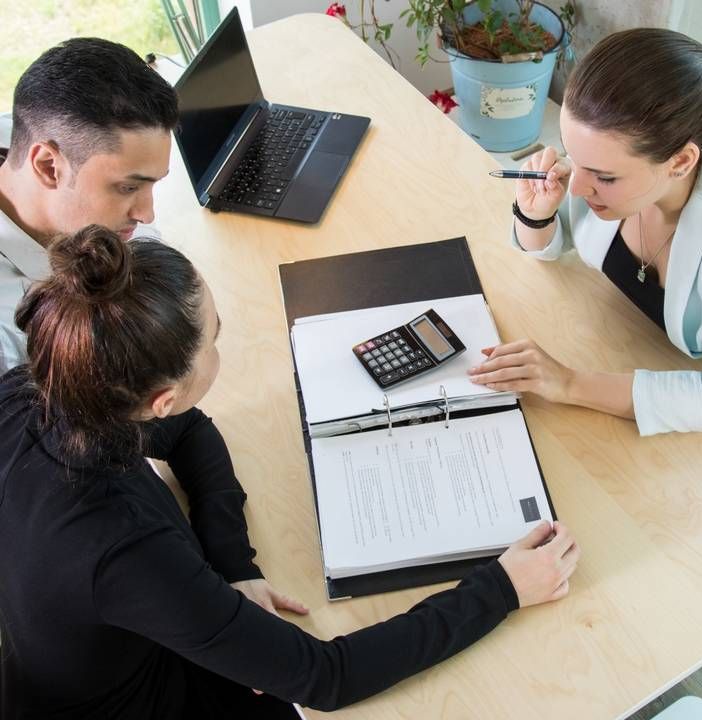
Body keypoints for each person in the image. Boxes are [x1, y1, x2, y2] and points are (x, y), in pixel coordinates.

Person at [0, 225, 580, 719]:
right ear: (160, 398)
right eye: (216, 337)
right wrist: (501, 589)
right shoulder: (124, 551)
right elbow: (326, 677)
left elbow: (193, 430)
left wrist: (234, 567)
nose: (221, 344)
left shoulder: (40, 391)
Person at [468, 28, 702, 436]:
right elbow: (549, 249)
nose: (576, 186)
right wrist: (536, 215)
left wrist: (567, 382)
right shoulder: (613, 165)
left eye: (604, 176)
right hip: (625, 343)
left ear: (681, 161)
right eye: (572, 155)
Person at [0, 37, 177, 374]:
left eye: (153, 183)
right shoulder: (8, 343)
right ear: (48, 167)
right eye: (128, 187)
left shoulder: (26, 131)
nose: (147, 214)